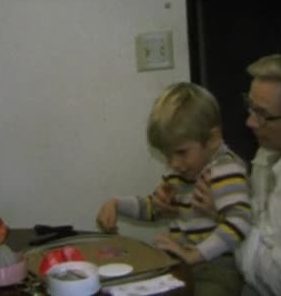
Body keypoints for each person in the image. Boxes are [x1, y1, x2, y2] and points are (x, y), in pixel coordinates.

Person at [155, 52, 281, 295]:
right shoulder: (271, 150)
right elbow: (252, 212)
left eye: (263, 114)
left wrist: (228, 220)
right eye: (250, 107)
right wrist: (183, 200)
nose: (250, 122)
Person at [96, 81, 252, 295]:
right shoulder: (181, 172)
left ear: (213, 139)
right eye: (168, 155)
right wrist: (117, 204)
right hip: (183, 265)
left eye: (181, 152)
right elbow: (153, 208)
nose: (174, 164)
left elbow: (240, 223)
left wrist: (194, 255)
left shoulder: (225, 170)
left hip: (216, 271)